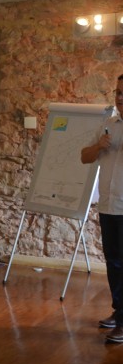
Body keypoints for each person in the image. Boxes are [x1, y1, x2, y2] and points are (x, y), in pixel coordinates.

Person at [81, 74, 123, 342]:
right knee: (113, 263)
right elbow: (84, 157)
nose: (119, 97)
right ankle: (119, 312)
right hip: (108, 206)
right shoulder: (108, 125)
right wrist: (99, 146)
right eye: (118, 92)